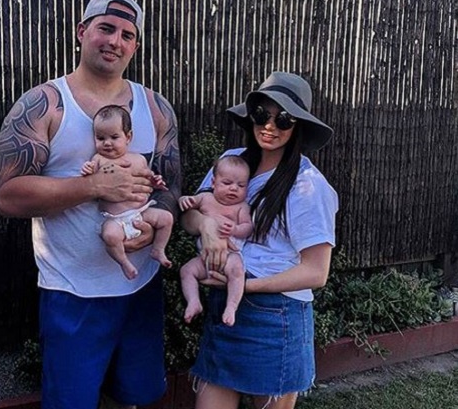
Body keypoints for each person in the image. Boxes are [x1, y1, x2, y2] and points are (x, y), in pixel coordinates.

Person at [0, 0, 181, 408]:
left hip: (140, 285)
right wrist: (94, 187)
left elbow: (171, 186)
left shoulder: (156, 108)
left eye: (127, 35)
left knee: (135, 395)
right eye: (106, 28)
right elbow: (7, 196)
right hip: (72, 291)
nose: (115, 41)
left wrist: (156, 219)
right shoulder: (44, 105)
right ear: (82, 32)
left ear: (135, 46)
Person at [181, 71, 338, 409]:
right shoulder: (232, 163)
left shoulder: (308, 186)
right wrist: (206, 225)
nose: (269, 125)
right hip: (225, 307)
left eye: (283, 119)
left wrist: (243, 286)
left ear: (298, 125)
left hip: (275, 315)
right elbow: (189, 216)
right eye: (261, 114)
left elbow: (316, 272)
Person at [82, 104, 174, 278]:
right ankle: (124, 262)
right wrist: (88, 170)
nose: (107, 143)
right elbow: (90, 180)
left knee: (166, 218)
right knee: (109, 235)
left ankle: (158, 249)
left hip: (141, 212)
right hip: (115, 219)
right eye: (100, 138)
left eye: (114, 137)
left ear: (128, 137)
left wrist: (156, 181)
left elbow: (148, 179)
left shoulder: (138, 159)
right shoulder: (98, 159)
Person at [178, 155, 253, 326]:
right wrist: (184, 200)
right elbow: (188, 207)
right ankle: (193, 301)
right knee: (187, 271)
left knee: (237, 272)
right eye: (227, 183)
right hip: (204, 257)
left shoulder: (241, 207)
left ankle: (231, 306)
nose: (233, 188)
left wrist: (235, 229)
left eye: (241, 185)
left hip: (230, 255)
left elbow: (248, 227)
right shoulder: (206, 198)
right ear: (213, 183)